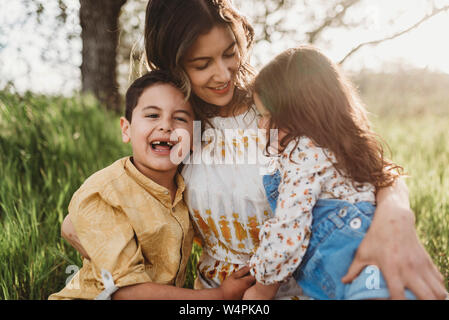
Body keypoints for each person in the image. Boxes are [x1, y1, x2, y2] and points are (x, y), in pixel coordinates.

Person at [62, 0, 447, 299]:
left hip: (307, 283)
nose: (224, 73)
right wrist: (90, 230)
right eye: (202, 64)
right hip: (225, 293)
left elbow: (366, 165)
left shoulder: (273, 107)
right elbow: (112, 199)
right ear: (174, 63)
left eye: (230, 52)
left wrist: (397, 219)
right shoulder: (178, 126)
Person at [50, 71, 254, 300]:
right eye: (152, 115)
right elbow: (126, 293)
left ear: (193, 136)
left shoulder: (188, 187)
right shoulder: (106, 192)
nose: (166, 125)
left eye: (180, 118)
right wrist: (220, 295)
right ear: (126, 129)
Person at [244, 46, 423, 299]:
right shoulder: (343, 149)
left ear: (300, 110)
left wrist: (261, 289)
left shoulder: (303, 151)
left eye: (267, 115)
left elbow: (288, 230)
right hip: (388, 270)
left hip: (362, 279)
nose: (262, 125)